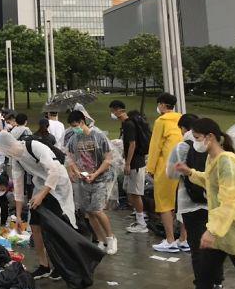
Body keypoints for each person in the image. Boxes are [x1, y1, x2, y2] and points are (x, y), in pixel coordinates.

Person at [175, 118, 235, 289]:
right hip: (220, 235)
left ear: (210, 137)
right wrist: (190, 172)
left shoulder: (227, 163)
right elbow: (211, 182)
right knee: (203, 280)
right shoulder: (213, 159)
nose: (195, 143)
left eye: (197, 138)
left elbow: (229, 203)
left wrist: (211, 232)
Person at [0, 130, 79, 281]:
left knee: (56, 226)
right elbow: (19, 186)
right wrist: (19, 215)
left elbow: (53, 170)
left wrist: (42, 195)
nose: (10, 155)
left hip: (58, 183)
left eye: (10, 151)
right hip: (40, 186)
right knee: (35, 226)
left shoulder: (33, 146)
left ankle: (60, 265)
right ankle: (44, 265)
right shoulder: (16, 158)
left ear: (13, 144)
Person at [167, 114, 222, 289]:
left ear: (185, 129)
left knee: (197, 249)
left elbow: (171, 174)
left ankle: (201, 286)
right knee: (215, 246)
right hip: (212, 203)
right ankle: (217, 283)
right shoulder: (215, 146)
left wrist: (186, 171)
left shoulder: (182, 147)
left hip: (190, 204)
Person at [65, 110, 118, 255]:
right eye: (72, 126)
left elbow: (108, 159)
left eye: (76, 125)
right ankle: (101, 241)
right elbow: (70, 158)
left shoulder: (98, 136)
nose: (74, 129)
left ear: (82, 122)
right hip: (85, 178)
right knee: (89, 211)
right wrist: (76, 171)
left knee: (97, 209)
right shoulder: (74, 139)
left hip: (101, 178)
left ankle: (111, 238)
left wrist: (96, 174)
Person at [147, 92, 183, 252]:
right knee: (183, 203)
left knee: (164, 203)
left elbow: (155, 146)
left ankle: (170, 240)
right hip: (183, 165)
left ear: (162, 104)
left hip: (165, 167)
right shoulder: (181, 118)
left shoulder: (161, 121)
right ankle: (184, 239)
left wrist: (150, 168)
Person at [109, 101, 148, 233]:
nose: (113, 114)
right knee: (130, 192)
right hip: (133, 162)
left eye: (113, 111)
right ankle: (139, 218)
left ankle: (142, 223)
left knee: (135, 194)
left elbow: (132, 144)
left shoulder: (129, 124)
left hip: (135, 164)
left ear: (118, 110)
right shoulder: (126, 124)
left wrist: (127, 163)